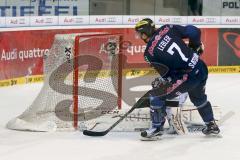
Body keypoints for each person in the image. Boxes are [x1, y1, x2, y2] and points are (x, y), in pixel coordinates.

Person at [134, 18, 220, 139]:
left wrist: (162, 82)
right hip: (200, 68)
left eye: (139, 34)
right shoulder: (167, 28)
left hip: (187, 77)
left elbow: (168, 75)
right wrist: (195, 47)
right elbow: (195, 31)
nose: (139, 37)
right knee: (198, 98)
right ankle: (211, 124)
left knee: (156, 95)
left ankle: (156, 129)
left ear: (144, 33)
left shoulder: (149, 53)